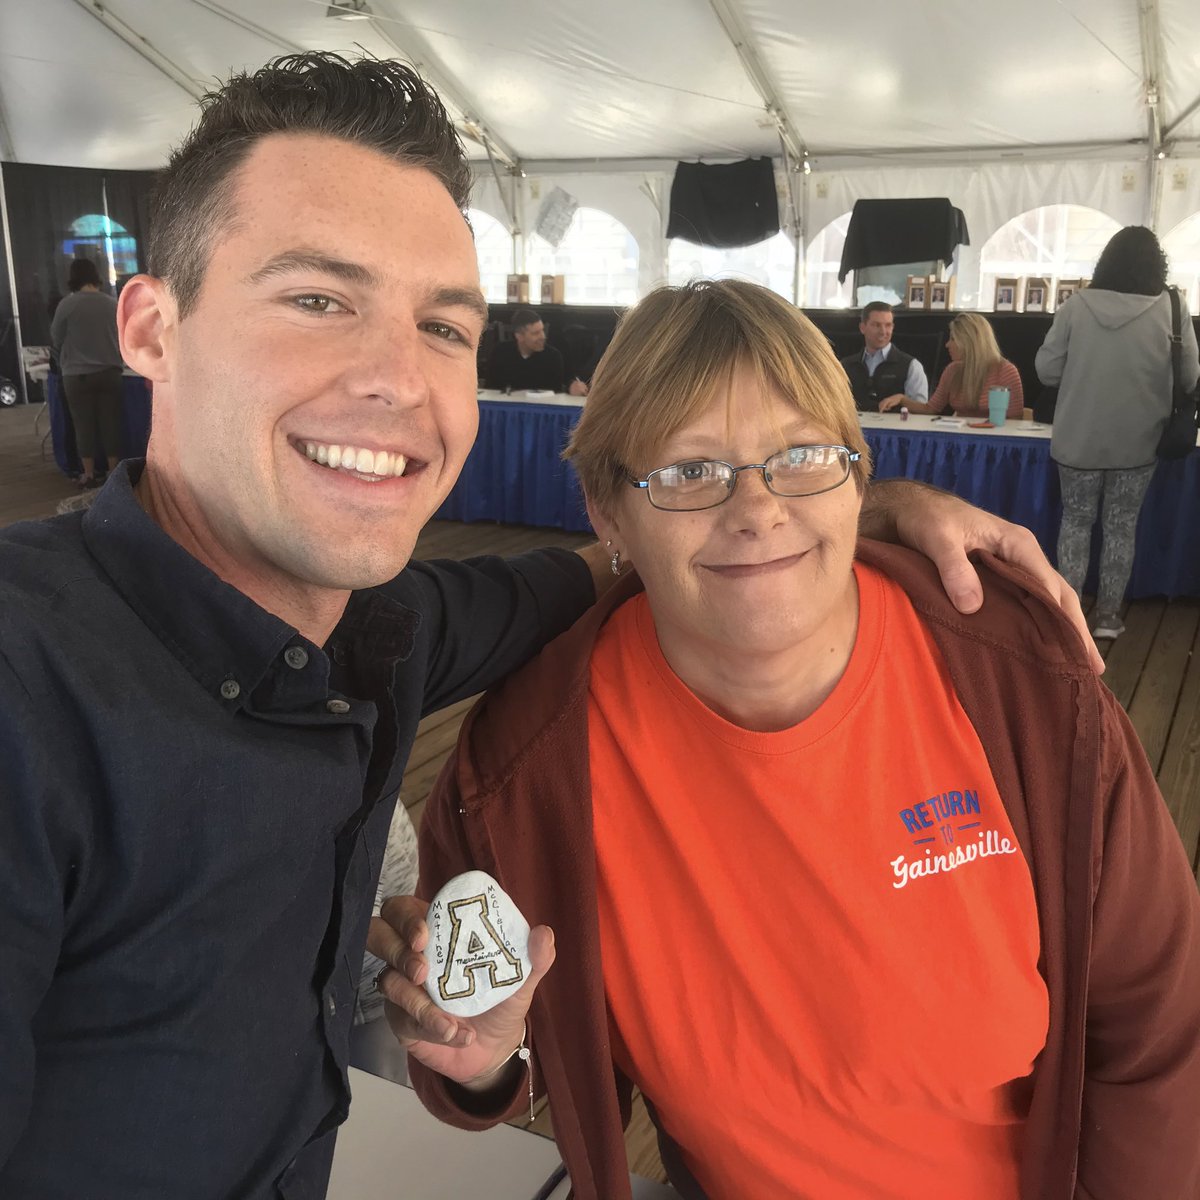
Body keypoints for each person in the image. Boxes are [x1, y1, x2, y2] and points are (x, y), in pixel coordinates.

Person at [0, 53, 1093, 1200]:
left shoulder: (379, 632)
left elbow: (588, 566)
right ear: (149, 328)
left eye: (443, 327)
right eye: (317, 300)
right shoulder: (32, 679)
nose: (395, 378)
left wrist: (801, 504)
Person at [373, 280, 1200, 1200]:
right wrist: (486, 1057)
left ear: (858, 475)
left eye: (802, 455)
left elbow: (1161, 1035)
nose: (757, 508)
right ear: (607, 511)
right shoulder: (525, 771)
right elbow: (513, 1060)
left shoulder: (1023, 687)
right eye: (690, 472)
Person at [1036, 226, 1200, 641]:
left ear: (1104, 262)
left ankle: (1067, 617)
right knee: (1121, 527)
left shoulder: (1077, 307)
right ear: (1156, 264)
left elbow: (1047, 370)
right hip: (1139, 442)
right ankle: (1108, 617)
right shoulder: (1173, 307)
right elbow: (1192, 375)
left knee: (1075, 522)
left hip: (1077, 440)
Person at [50, 256, 126, 488]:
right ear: (96, 276)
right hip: (110, 372)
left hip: (77, 375)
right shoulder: (112, 303)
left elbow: (56, 338)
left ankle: (89, 474)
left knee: (83, 425)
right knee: (110, 422)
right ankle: (114, 473)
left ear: (72, 278)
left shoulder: (67, 305)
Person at [884, 312, 1023, 420]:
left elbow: (1016, 419)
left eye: (953, 339)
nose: (947, 344)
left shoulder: (1005, 371)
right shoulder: (952, 370)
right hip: (960, 440)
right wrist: (902, 399)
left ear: (968, 342)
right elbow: (931, 409)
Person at [840, 300, 929, 412]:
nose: (883, 331)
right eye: (876, 325)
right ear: (862, 328)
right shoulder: (845, 366)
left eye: (888, 325)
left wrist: (902, 400)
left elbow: (921, 410)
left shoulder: (911, 366)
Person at [484, 307, 566, 392]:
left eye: (542, 331)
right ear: (519, 336)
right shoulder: (500, 353)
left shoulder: (553, 357)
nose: (543, 337)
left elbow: (556, 395)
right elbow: (490, 389)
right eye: (536, 333)